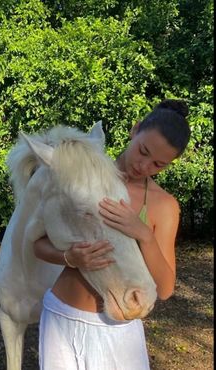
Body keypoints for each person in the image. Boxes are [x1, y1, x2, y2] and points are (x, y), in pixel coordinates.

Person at [34, 99, 191, 370]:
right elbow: (37, 243)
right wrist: (70, 257)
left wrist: (144, 234)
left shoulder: (163, 205)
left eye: (158, 164)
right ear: (135, 129)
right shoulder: (80, 173)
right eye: (143, 151)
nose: (144, 166)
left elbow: (164, 289)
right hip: (60, 314)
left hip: (117, 332)